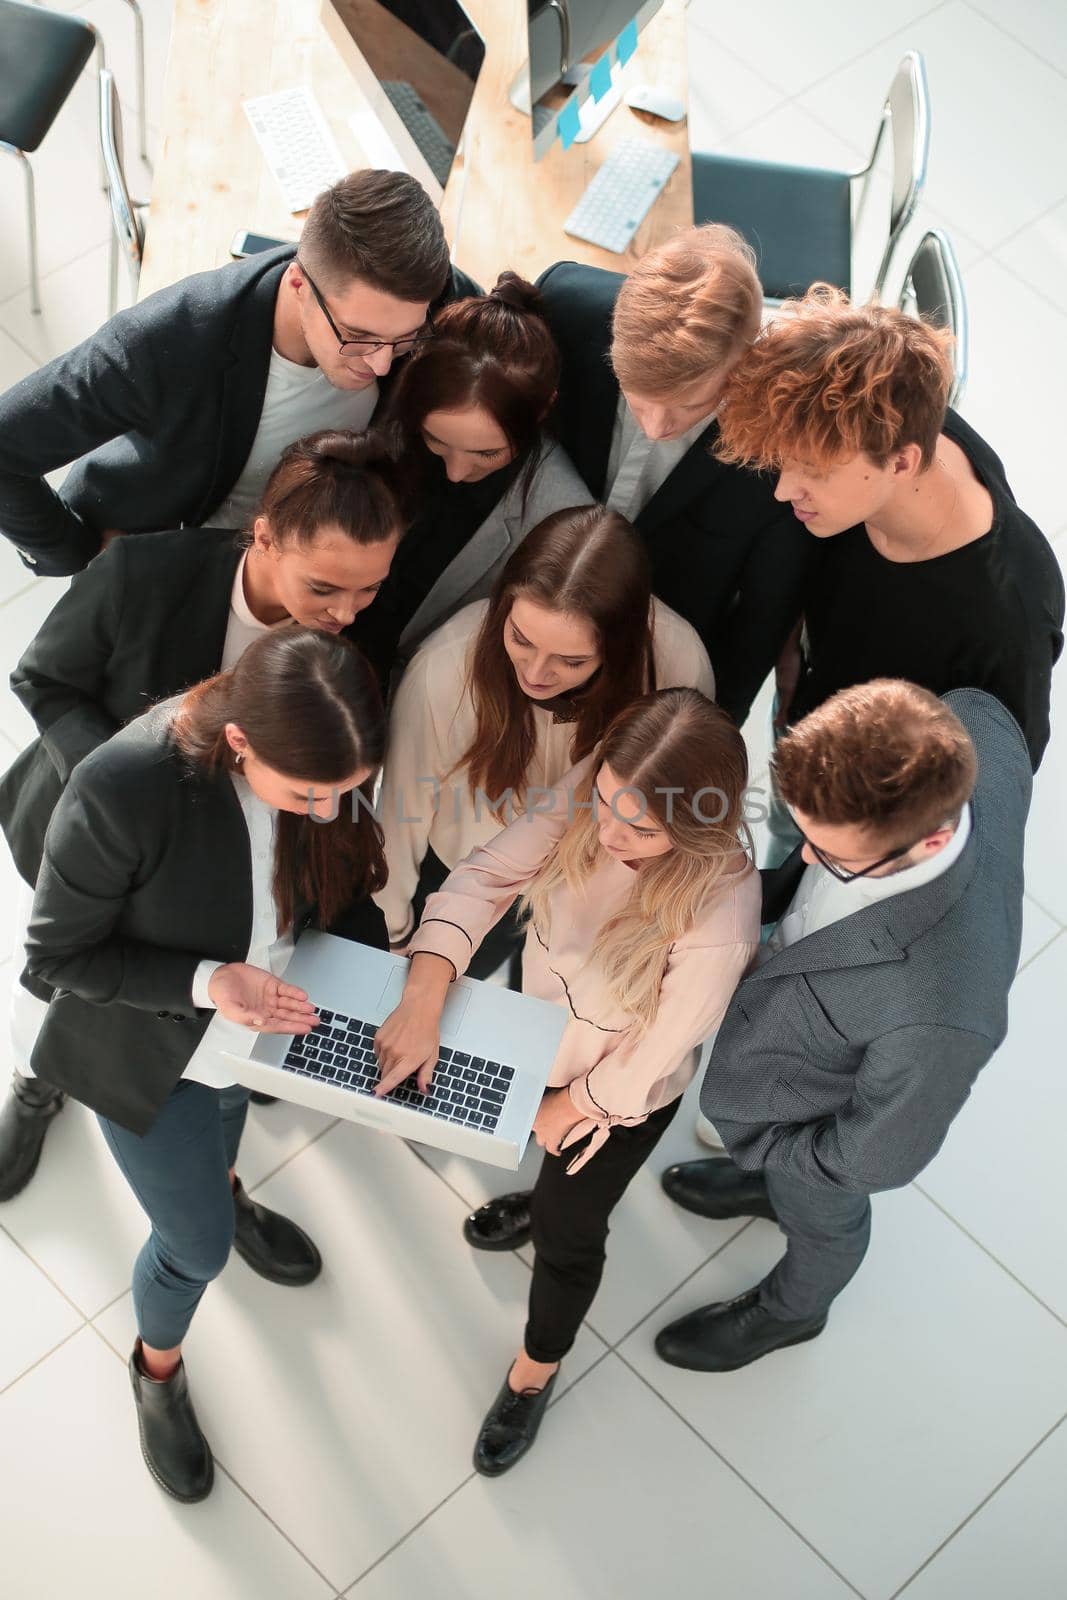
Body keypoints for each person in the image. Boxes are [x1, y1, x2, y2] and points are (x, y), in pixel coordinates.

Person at [23, 630, 389, 1501]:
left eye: (348, 792)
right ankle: (156, 1370)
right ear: (238, 742)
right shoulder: (122, 788)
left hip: (255, 1038)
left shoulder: (316, 765)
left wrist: (387, 995)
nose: (330, 811)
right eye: (311, 794)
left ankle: (221, 1185)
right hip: (151, 1048)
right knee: (194, 1247)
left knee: (224, 1136)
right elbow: (55, 959)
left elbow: (338, 886)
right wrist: (208, 981)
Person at [0, 429, 405, 1202]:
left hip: (226, 865)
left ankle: (214, 1175)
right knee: (53, 980)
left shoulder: (344, 639)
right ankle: (34, 1084)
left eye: (369, 590)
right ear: (264, 537)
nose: (347, 613)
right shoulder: (144, 573)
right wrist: (120, 786)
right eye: (325, 588)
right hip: (92, 835)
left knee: (189, 990)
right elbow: (44, 679)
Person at [374, 689, 761, 1473]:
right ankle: (535, 1193)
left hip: (614, 1097)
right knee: (532, 1158)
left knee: (569, 1234)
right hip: (539, 1033)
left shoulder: (719, 917)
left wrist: (574, 1104)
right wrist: (424, 987)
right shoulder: (594, 788)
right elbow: (484, 878)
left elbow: (655, 1056)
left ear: (694, 828)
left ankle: (534, 1371)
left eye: (638, 826)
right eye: (607, 803)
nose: (609, 830)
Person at [654, 680, 1029, 1373]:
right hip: (788, 1085)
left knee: (824, 1217)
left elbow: (874, 1157)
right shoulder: (973, 719)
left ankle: (791, 1313)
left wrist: (782, 1153)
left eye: (831, 855)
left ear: (932, 836)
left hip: (814, 1126)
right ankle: (761, 1181)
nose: (803, 858)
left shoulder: (937, 1010)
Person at [0, 169, 477, 576]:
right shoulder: (172, 338)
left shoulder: (428, 299)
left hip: (320, 558)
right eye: (359, 336)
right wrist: (79, 554)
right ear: (298, 284)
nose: (380, 363)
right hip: (179, 558)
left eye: (403, 340)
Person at [714, 284, 1064, 771]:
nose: (783, 490)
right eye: (784, 465)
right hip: (809, 711)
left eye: (812, 471)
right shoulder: (892, 423)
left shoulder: (1006, 625)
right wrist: (792, 642)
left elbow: (991, 792)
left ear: (902, 462)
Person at [374, 504, 715, 968]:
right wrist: (391, 933)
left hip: (598, 896)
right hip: (469, 883)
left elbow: (681, 804)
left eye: (571, 661)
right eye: (520, 638)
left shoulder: (678, 662)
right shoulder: (444, 667)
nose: (535, 674)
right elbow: (400, 815)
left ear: (619, 647)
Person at [535, 225, 815, 726]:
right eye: (638, 399)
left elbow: (760, 619)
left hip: (650, 669)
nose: (657, 427)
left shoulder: (783, 449)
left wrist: (707, 734)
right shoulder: (562, 308)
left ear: (742, 363)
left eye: (689, 405)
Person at [351, 272, 592, 686]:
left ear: (542, 410)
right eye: (436, 440)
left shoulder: (561, 519)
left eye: (487, 453)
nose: (456, 472)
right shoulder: (381, 414)